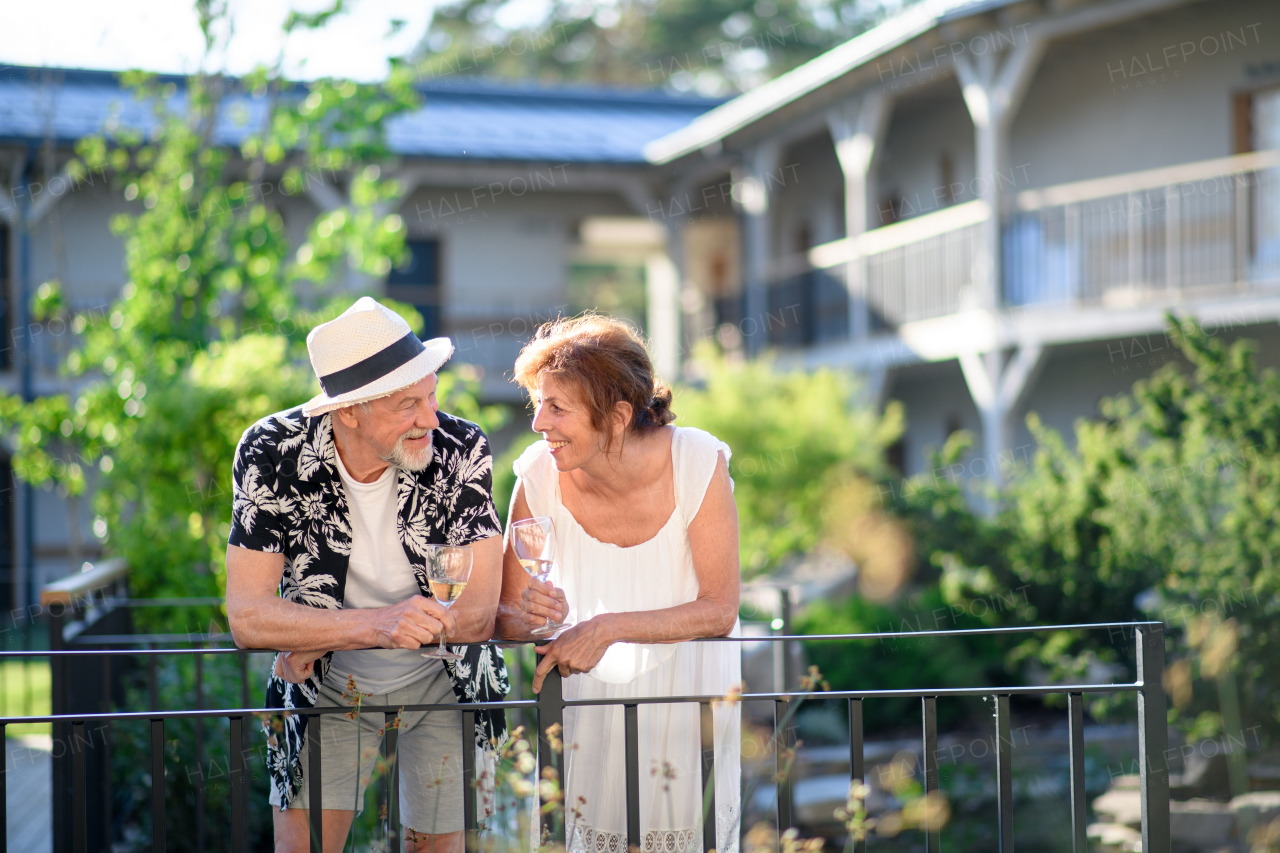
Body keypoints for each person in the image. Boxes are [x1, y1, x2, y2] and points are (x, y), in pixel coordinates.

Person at [226, 297, 509, 853]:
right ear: (349, 411)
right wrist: (371, 627)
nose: (430, 418)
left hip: (445, 679)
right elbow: (249, 617)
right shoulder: (272, 452)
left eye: (431, 395)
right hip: (327, 682)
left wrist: (307, 629)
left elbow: (476, 614)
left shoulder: (460, 446)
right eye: (408, 404)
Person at [496, 315, 742, 853]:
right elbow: (508, 616)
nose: (539, 423)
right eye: (538, 403)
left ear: (618, 416)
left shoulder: (697, 462)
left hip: (689, 709)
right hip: (589, 713)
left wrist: (606, 628)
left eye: (557, 407)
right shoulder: (537, 476)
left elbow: (720, 610)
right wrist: (529, 616)